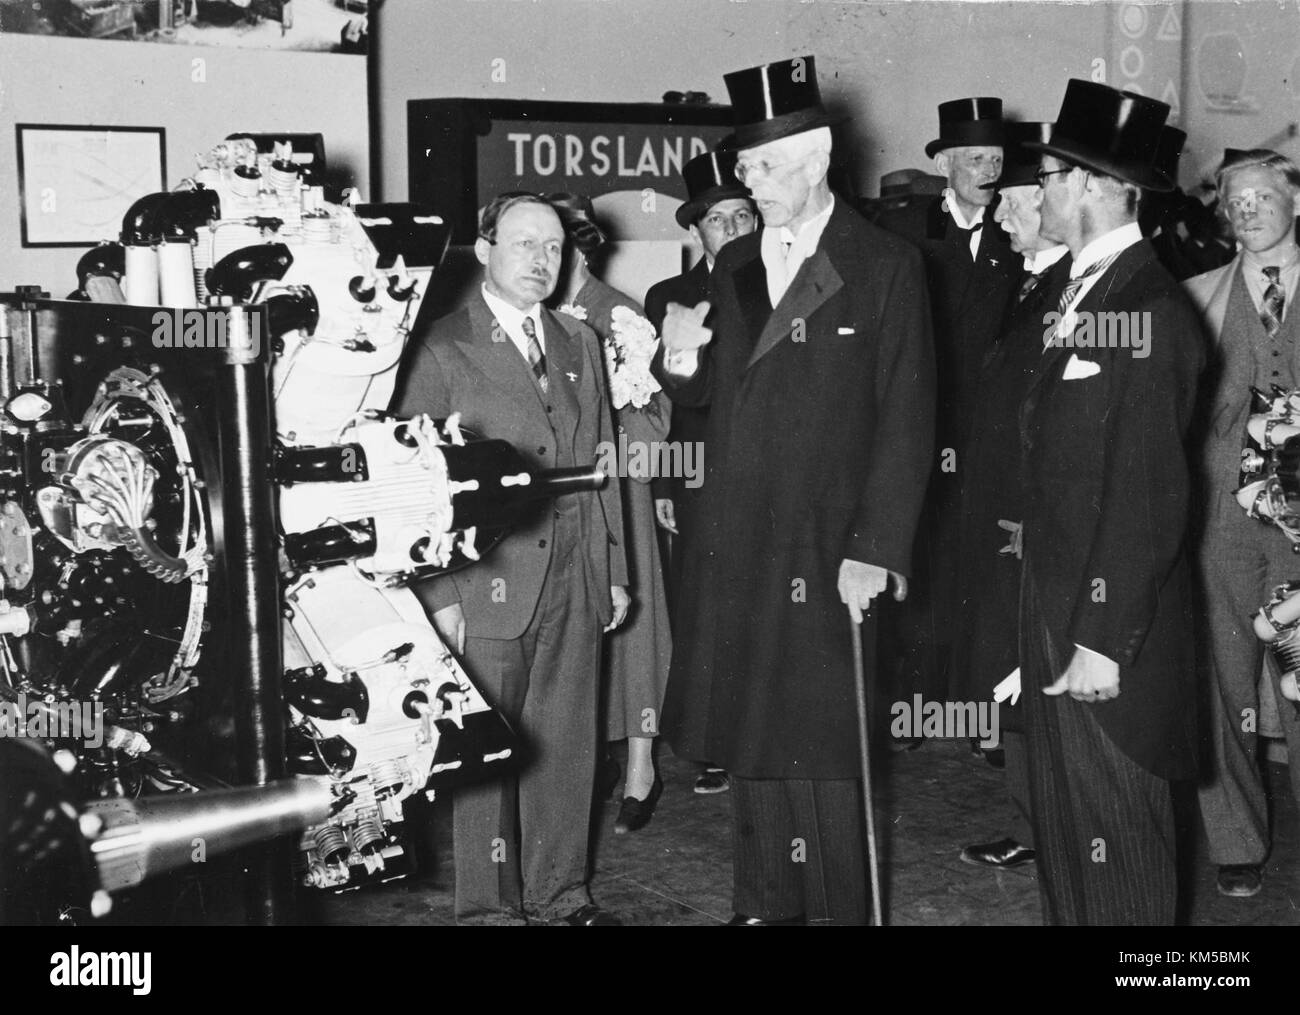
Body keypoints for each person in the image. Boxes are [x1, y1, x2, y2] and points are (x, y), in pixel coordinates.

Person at [654, 55, 935, 926]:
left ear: (814, 161)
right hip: (741, 538)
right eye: (743, 166)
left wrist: (876, 548)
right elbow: (708, 393)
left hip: (829, 546)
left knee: (822, 745)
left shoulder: (884, 265)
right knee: (751, 735)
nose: (748, 180)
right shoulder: (735, 261)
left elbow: (908, 419)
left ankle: (838, 909)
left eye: (763, 166)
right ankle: (763, 906)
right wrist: (681, 360)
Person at [392, 192, 629, 926]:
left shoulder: (578, 342)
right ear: (486, 249)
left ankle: (563, 894)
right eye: (524, 243)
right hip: (483, 582)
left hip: (571, 578)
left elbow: (599, 464)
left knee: (566, 745)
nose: (541, 260)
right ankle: (489, 909)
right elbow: (410, 484)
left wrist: (612, 569)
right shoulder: (440, 344)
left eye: (554, 247)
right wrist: (440, 598)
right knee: (485, 753)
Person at [1019, 80, 1204, 924]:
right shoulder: (1079, 290)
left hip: (1106, 629)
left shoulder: (1150, 305)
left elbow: (1149, 494)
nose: (1039, 193)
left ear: (1091, 184)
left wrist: (1101, 638)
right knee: (1067, 834)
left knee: (1119, 843)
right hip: (1053, 606)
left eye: (1050, 176)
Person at [875, 97, 1020, 721]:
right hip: (922, 425)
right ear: (946, 165)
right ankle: (915, 702)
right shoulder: (907, 230)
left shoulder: (1016, 233)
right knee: (921, 558)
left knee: (985, 562)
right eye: (976, 159)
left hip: (991, 429)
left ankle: (983, 707)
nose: (990, 170)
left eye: (997, 159)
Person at [951, 121, 1070, 872]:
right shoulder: (1013, 279)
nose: (997, 216)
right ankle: (1030, 823)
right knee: (1014, 671)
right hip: (998, 515)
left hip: (1038, 518)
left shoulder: (1074, 290)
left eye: (1014, 206)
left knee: (1046, 677)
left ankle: (1057, 826)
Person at [1185, 148, 1300, 899]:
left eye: (1263, 195)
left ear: (1295, 201)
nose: (1249, 209)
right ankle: (1236, 843)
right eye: (1237, 201)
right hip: (1220, 512)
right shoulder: (1197, 295)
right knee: (1223, 679)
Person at [548, 192, 674, 834]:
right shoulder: (528, 315)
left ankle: (642, 768)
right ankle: (585, 758)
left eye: (556, 241)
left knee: (635, 626)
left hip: (616, 491)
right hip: (557, 494)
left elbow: (654, 423)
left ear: (581, 244)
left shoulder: (618, 316)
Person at [644, 147, 757, 795]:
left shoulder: (785, 284)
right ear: (697, 230)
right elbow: (667, 399)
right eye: (719, 220)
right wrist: (663, 484)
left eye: (744, 215)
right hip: (699, 476)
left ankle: (759, 731)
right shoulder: (673, 296)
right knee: (704, 607)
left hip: (769, 475)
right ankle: (711, 741)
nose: (735, 228)